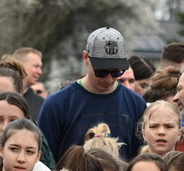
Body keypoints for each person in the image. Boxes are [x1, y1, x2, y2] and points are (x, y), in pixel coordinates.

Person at [38, 27, 146, 160]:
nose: (109, 79)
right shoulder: (57, 104)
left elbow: (141, 159)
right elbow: (45, 162)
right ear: (86, 57)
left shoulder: (136, 104)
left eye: (116, 72)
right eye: (101, 71)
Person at [12, 47, 44, 120]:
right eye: (36, 66)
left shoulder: (41, 104)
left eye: (40, 67)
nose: (40, 72)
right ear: (20, 65)